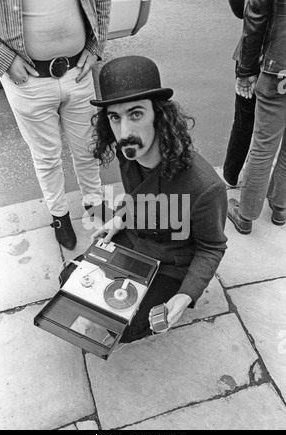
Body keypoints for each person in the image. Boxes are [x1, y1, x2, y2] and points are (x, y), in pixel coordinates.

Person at [89, 56, 228, 343]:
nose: (124, 132)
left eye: (136, 114)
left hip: (171, 263)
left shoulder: (205, 186)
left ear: (159, 116)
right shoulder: (129, 153)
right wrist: (118, 218)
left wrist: (186, 294)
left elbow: (212, 247)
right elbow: (136, 199)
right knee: (74, 284)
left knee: (124, 328)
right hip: (136, 241)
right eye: (115, 117)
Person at [0, 0, 112, 250]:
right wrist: (1, 58)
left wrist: (96, 44)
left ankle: (94, 203)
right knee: (46, 157)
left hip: (78, 70)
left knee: (88, 147)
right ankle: (59, 216)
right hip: (27, 81)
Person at [228, 0, 286, 234]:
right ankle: (280, 206)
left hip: (279, 67)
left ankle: (246, 215)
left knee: (263, 145)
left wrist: (246, 70)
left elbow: (255, 16)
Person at [223, 0, 256, 187]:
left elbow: (243, 12)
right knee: (276, 124)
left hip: (255, 56)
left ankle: (231, 176)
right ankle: (278, 200)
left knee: (245, 119)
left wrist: (246, 70)